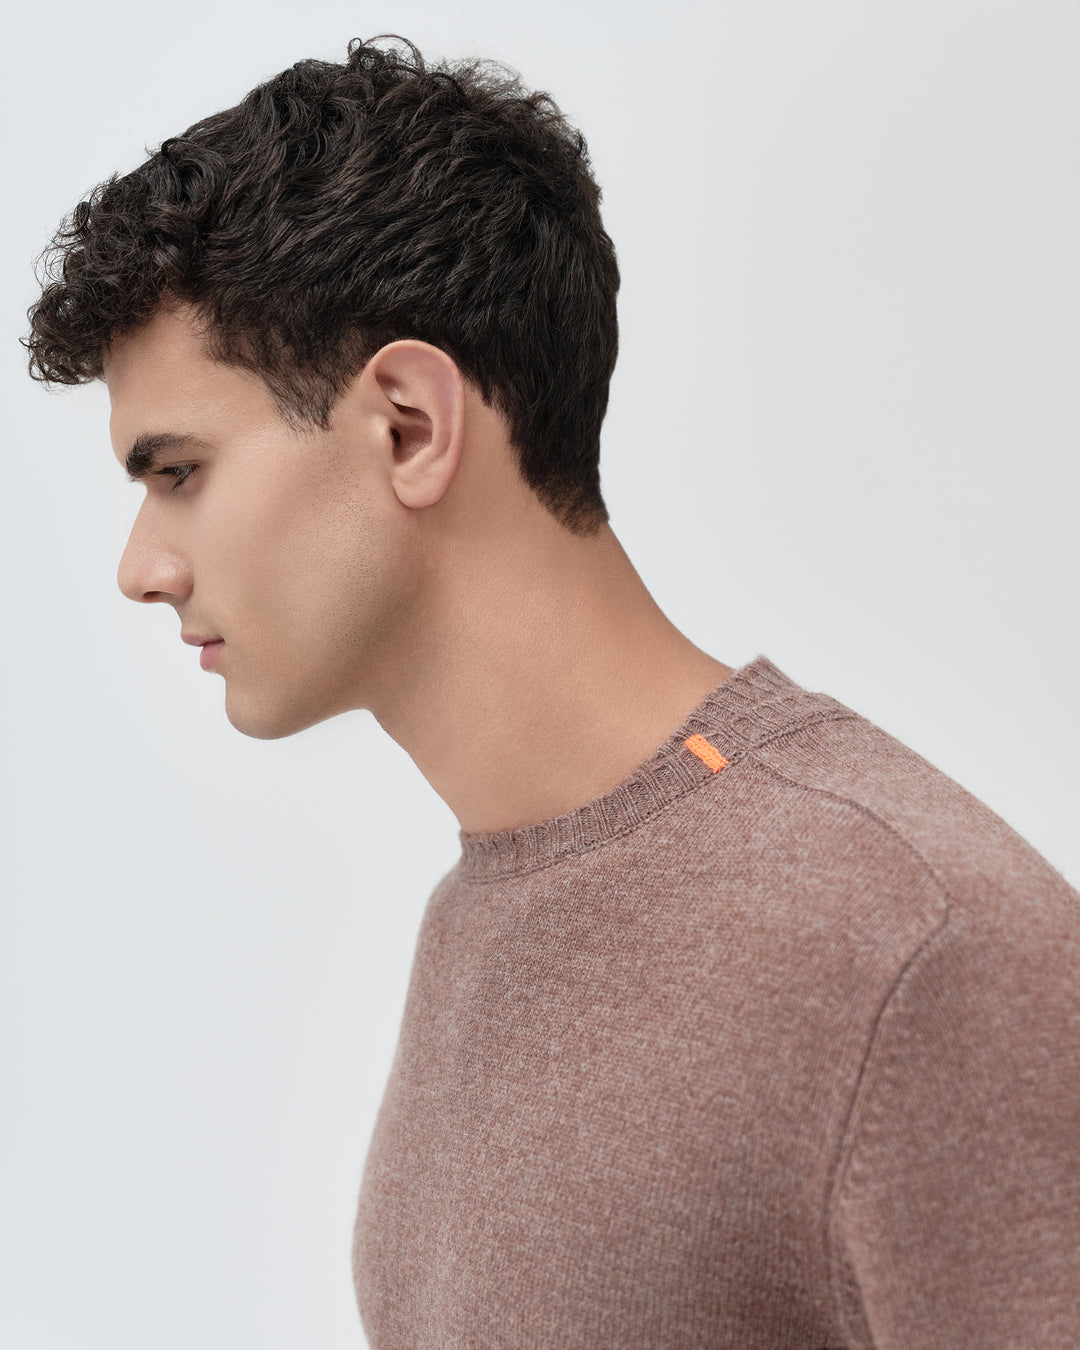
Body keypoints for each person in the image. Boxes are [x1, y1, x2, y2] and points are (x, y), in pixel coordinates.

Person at [23, 34, 1079, 1350]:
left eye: (178, 472)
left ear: (410, 425)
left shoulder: (917, 946)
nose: (142, 568)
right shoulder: (483, 917)